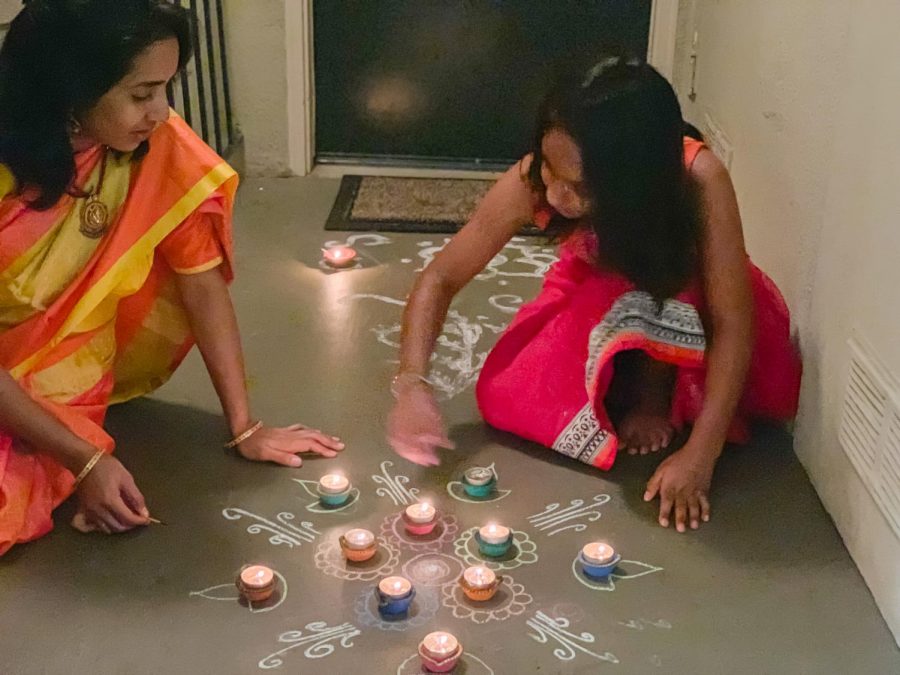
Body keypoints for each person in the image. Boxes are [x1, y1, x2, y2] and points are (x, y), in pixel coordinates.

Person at [387, 56, 801, 533]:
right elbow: (441, 277)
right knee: (507, 395)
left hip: (688, 304)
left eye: (579, 186)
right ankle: (621, 370)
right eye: (549, 170)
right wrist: (412, 384)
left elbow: (733, 322)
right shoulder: (535, 179)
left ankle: (655, 387)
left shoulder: (698, 180)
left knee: (667, 286)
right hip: (596, 296)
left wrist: (699, 457)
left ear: (633, 181)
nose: (558, 195)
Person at [0, 0, 342, 555]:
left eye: (166, 88)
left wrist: (245, 426)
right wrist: (86, 461)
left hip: (67, 374)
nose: (160, 112)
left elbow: (199, 279)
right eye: (140, 95)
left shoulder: (153, 145)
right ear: (70, 90)